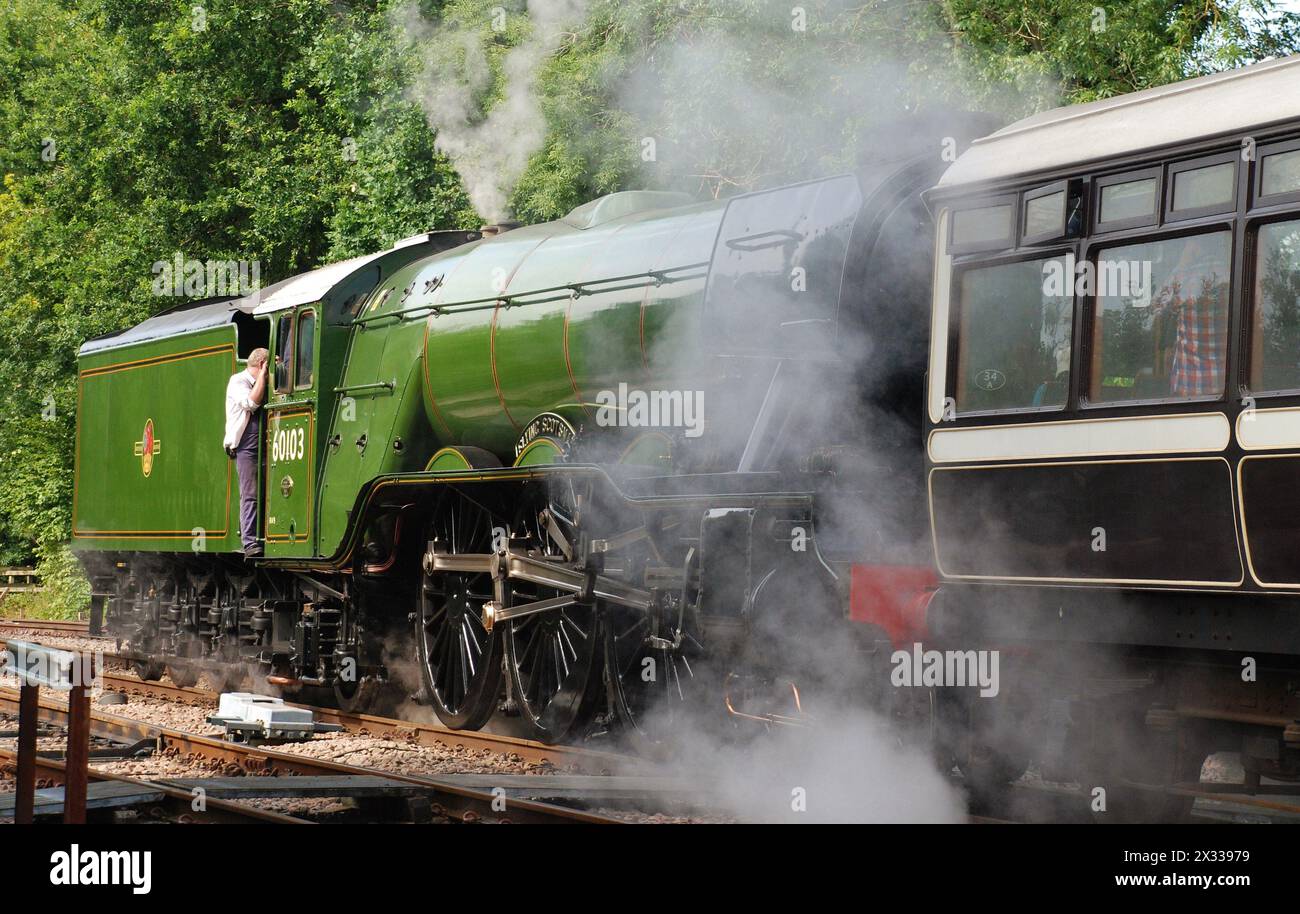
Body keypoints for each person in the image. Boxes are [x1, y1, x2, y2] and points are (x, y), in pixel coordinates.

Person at [224, 348, 270, 557]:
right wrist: (263, 376)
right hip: (246, 444)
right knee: (250, 494)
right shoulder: (238, 381)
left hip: (265, 440)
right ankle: (249, 541)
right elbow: (251, 403)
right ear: (261, 364)